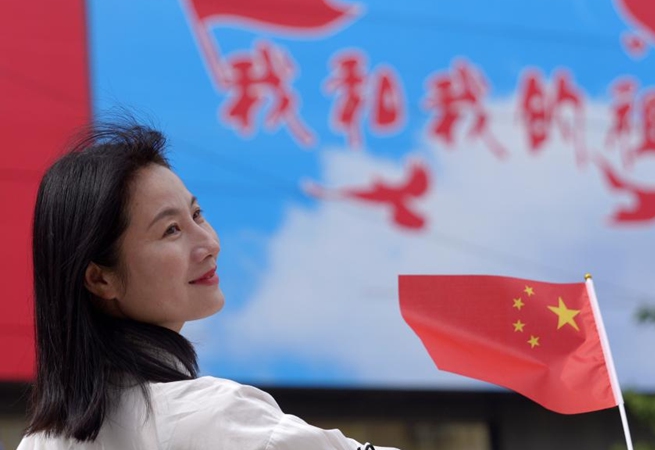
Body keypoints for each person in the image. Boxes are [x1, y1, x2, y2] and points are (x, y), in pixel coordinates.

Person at [17, 121, 396, 450]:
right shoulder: (212, 418)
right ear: (100, 278)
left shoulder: (39, 441)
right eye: (171, 230)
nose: (209, 243)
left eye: (197, 214)